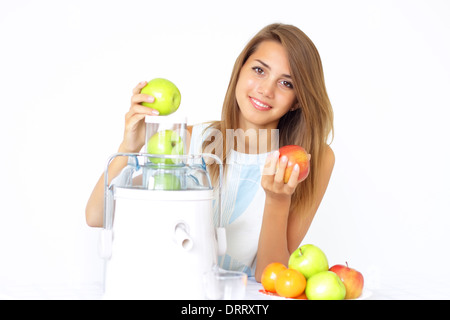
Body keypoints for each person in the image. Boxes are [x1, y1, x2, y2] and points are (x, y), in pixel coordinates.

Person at [85, 23, 335, 282]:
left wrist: (277, 199)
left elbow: (270, 276)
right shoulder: (190, 141)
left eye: (286, 83)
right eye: (259, 70)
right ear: (239, 71)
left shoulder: (311, 159)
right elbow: (96, 216)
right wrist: (129, 147)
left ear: (297, 100)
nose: (266, 90)